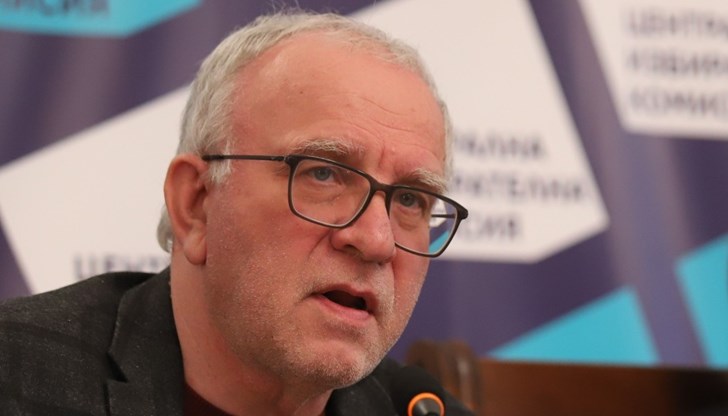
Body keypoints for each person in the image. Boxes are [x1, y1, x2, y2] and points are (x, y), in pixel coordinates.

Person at [0, 10, 471, 416]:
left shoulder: (417, 409)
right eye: (324, 174)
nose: (376, 241)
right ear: (196, 204)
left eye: (410, 200)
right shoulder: (18, 377)